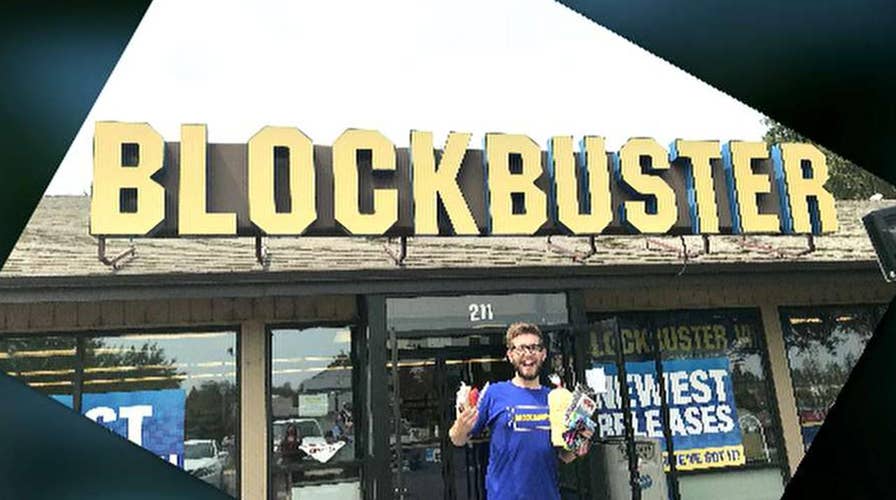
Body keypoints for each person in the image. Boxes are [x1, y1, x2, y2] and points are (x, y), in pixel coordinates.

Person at [448, 322, 591, 500]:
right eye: (520, 348)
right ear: (510, 355)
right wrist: (460, 426)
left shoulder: (557, 398)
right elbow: (457, 439)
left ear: (543, 354)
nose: (528, 354)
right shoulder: (494, 393)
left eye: (534, 347)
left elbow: (565, 456)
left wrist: (579, 441)